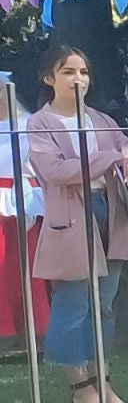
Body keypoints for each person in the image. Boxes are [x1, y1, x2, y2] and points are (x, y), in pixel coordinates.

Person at [28, 46, 128, 403]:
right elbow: (57, 172)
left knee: (105, 304)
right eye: (67, 72)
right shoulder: (40, 123)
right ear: (49, 78)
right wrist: (110, 158)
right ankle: (80, 386)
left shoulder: (103, 120)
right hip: (71, 217)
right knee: (74, 302)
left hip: (108, 214)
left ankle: (103, 379)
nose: (77, 78)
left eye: (83, 71)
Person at [0, 74, 49, 346]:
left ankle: (37, 329)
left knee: (28, 269)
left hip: (26, 200)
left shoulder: (30, 124)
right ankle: (5, 331)